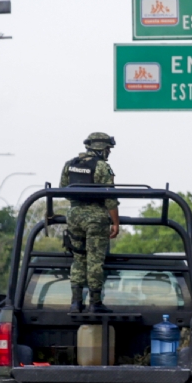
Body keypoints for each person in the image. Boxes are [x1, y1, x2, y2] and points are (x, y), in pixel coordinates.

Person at [60, 132, 120, 313]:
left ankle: (76, 302)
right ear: (102, 148)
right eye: (108, 149)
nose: (109, 152)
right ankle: (95, 303)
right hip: (96, 218)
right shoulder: (102, 167)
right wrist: (116, 223)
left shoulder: (70, 164)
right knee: (94, 261)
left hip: (74, 215)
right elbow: (110, 199)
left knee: (78, 258)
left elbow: (63, 189)